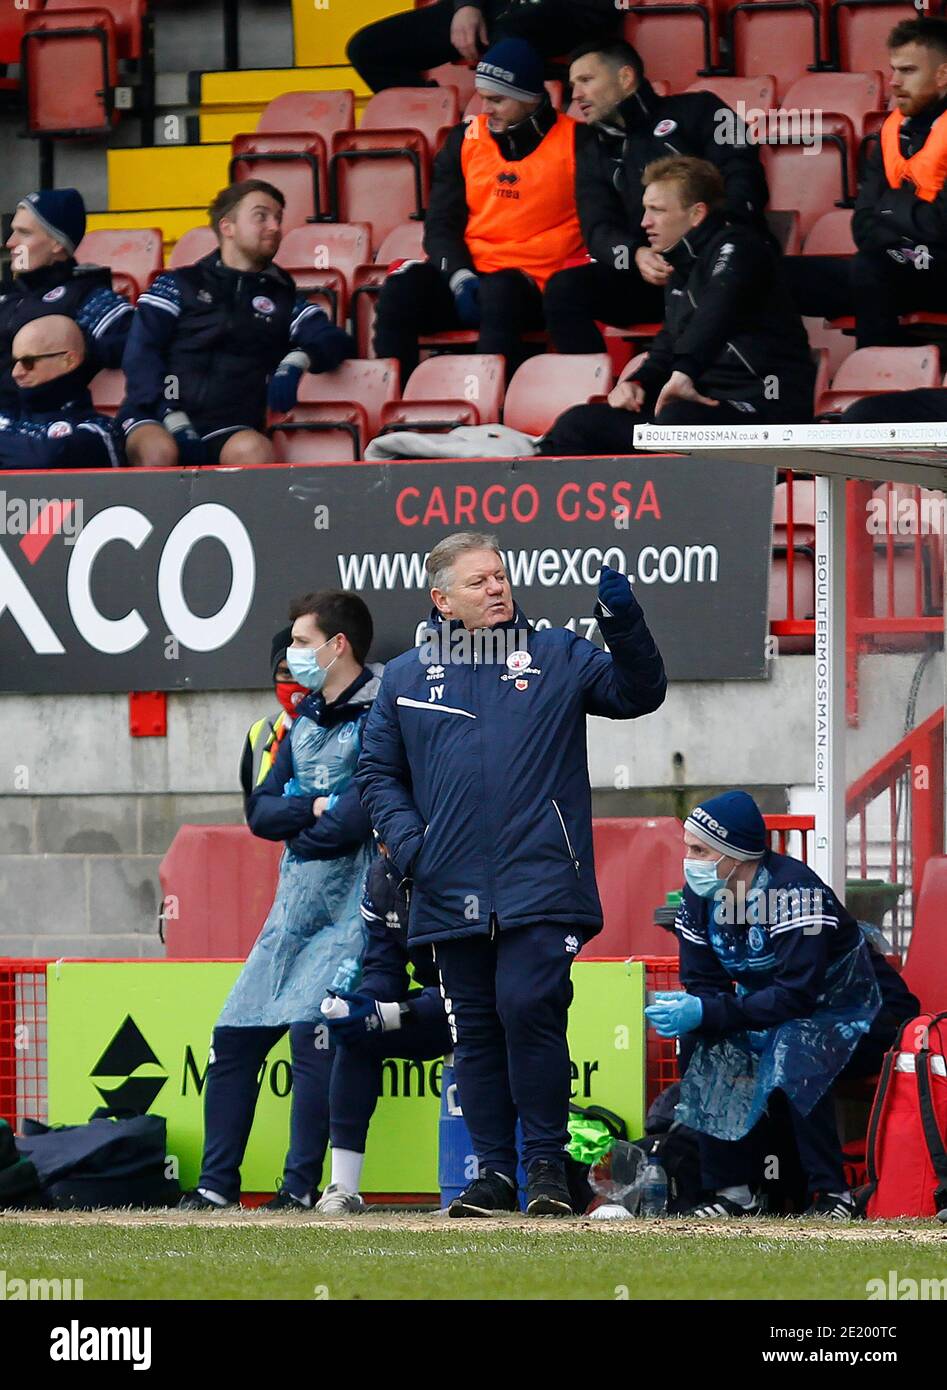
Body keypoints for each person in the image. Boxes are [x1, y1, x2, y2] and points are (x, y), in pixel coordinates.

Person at [356, 532, 666, 1217]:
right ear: (441, 599)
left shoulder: (556, 653)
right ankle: (494, 1175)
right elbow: (376, 773)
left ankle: (547, 1172)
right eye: (477, 582)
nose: (496, 588)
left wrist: (624, 623)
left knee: (527, 1008)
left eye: (499, 575)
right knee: (474, 1026)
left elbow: (637, 692)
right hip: (445, 884)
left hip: (542, 880)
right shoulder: (405, 677)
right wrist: (414, 849)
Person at [179, 591, 380, 1212]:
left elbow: (357, 818)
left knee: (311, 1034)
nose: (292, 656)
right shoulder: (298, 724)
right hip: (289, 914)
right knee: (233, 1034)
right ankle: (216, 1185)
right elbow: (261, 813)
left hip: (354, 910)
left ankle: (298, 1187)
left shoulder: (381, 715)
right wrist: (312, 808)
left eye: (300, 641)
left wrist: (309, 818)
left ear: (336, 644)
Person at [645, 791, 884, 1220]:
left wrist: (720, 1010)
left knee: (794, 1042)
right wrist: (699, 1012)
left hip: (860, 1013)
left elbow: (798, 995)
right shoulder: (701, 896)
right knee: (706, 1037)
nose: (690, 860)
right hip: (785, 1009)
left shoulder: (797, 891)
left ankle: (832, 1195)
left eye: (700, 850)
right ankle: (733, 1192)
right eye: (688, 848)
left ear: (736, 854)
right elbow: (703, 982)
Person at [539, 156, 814, 456]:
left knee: (677, 420)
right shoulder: (680, 266)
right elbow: (669, 342)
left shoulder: (740, 248)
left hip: (766, 411)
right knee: (577, 424)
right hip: (701, 407)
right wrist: (638, 383)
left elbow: (716, 312)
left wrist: (684, 372)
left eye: (657, 210)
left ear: (697, 214)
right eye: (645, 209)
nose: (644, 222)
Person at [373, 39, 585, 382]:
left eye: (498, 99)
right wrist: (458, 276)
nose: (486, 109)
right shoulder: (464, 139)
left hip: (534, 288)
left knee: (501, 291)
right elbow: (441, 224)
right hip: (468, 281)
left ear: (531, 98)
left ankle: (495, 410)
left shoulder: (578, 141)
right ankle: (397, 407)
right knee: (401, 288)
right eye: (483, 97)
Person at [543, 40, 769, 355]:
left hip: (718, 262)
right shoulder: (592, 151)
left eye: (586, 80)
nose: (576, 94)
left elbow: (744, 180)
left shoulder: (700, 109)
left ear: (625, 77)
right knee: (564, 290)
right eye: (572, 85)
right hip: (653, 276)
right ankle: (598, 391)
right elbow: (598, 228)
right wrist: (635, 256)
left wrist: (699, 244)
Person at [119, 180, 354, 468]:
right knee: (159, 451)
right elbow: (141, 352)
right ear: (227, 227)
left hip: (227, 425)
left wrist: (298, 359)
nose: (275, 226)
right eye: (261, 216)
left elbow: (333, 338)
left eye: (278, 218)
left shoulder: (281, 297)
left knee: (255, 450)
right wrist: (170, 412)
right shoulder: (179, 284)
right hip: (156, 414)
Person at [783, 17, 947, 348]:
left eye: (908, 71)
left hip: (938, 273)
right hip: (893, 264)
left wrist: (890, 205)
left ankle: (881, 388)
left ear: (943, 75)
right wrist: (902, 217)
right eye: (893, 69)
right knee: (764, 271)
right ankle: (781, 387)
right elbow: (863, 225)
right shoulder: (891, 131)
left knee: (873, 265)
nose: (894, 82)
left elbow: (940, 225)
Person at [315, 853, 453, 1214]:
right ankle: (342, 1188)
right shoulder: (381, 876)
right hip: (434, 1004)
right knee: (356, 1036)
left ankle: (481, 1181)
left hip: (482, 1004)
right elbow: (384, 966)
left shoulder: (455, 862)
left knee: (476, 1027)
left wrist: (392, 1014)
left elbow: (473, 985)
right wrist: (363, 1006)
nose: (387, 847)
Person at [347, 0, 619, 93]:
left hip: (570, 10)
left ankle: (550, 97)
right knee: (368, 49)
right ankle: (439, 135)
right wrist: (468, 5)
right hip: (496, 8)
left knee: (506, 41)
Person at [0, 316, 120, 470]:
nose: (16, 373)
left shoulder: (99, 430)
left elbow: (45, 459)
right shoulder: (7, 415)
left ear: (69, 361)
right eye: (13, 363)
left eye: (28, 362)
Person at [239, 625, 311, 811]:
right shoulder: (259, 732)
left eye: (301, 671)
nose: (295, 682)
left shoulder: (344, 729)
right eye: (286, 673)